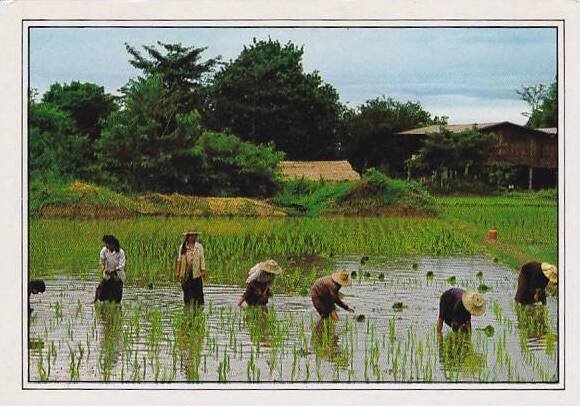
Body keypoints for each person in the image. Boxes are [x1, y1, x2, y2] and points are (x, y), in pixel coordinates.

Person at [176, 230, 206, 306]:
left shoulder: (199, 246)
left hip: (196, 274)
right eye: (191, 235)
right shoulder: (183, 246)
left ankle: (199, 310)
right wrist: (177, 272)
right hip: (185, 274)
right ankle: (187, 310)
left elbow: (202, 259)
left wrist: (203, 270)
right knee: (187, 295)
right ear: (187, 237)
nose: (193, 237)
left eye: (194, 235)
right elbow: (179, 260)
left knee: (198, 295)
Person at [95, 235, 126, 303]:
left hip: (118, 276)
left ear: (113, 244)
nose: (106, 245)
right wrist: (103, 268)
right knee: (101, 295)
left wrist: (113, 270)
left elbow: (121, 265)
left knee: (116, 299)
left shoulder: (121, 252)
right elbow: (101, 262)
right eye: (106, 243)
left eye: (108, 244)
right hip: (107, 275)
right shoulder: (104, 250)